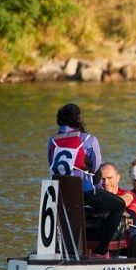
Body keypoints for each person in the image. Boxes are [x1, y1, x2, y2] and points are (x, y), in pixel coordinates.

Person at [48, 103, 125, 259]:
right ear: (78, 119)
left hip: (60, 194)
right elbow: (97, 170)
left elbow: (52, 165)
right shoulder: (88, 139)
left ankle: (67, 250)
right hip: (84, 191)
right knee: (119, 205)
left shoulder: (52, 141)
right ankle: (102, 251)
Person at [86, 162, 134, 254]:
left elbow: (124, 201)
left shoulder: (127, 194)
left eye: (109, 178)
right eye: (102, 179)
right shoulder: (93, 195)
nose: (106, 183)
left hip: (120, 248)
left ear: (118, 177)